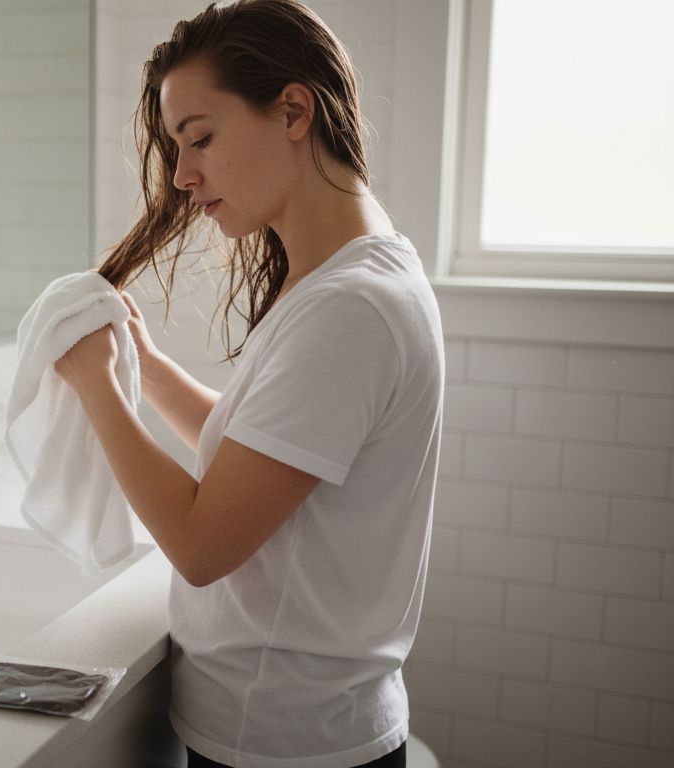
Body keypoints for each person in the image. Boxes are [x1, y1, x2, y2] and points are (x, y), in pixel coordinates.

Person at [55, 2, 443, 767]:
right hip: (306, 726)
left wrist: (98, 387)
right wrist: (148, 367)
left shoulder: (348, 308)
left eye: (200, 137)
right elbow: (258, 464)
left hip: (286, 743)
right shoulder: (351, 276)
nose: (182, 174)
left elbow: (203, 544)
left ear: (293, 110)